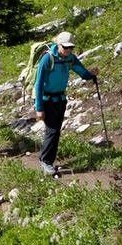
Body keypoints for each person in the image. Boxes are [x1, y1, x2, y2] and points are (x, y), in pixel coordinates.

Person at [34, 31, 98, 175]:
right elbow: (38, 84)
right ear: (58, 44)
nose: (68, 50)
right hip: (47, 100)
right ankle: (46, 161)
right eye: (65, 47)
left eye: (71, 47)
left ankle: (47, 161)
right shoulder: (47, 58)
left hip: (61, 100)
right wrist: (39, 108)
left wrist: (91, 75)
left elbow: (82, 72)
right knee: (52, 130)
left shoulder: (70, 58)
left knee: (55, 131)